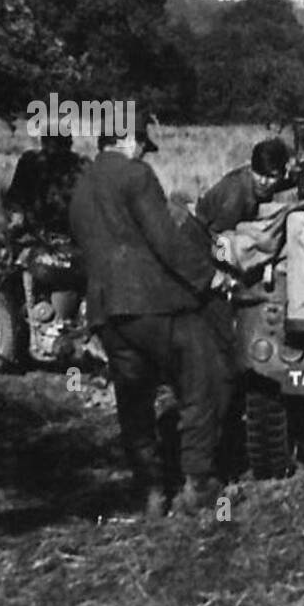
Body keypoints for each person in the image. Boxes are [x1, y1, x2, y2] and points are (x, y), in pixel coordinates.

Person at [69, 117, 233, 516]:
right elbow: (165, 238)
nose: (144, 151)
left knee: (134, 399)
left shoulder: (80, 184)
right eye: (142, 143)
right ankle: (199, 484)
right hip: (155, 302)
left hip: (108, 311)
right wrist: (209, 277)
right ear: (126, 139)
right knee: (203, 379)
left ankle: (150, 490)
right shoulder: (135, 174)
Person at [3, 128, 90, 324]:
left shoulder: (80, 167)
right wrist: (16, 219)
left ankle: (61, 328)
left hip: (67, 241)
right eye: (50, 142)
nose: (54, 148)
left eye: (59, 143)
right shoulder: (31, 163)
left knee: (65, 282)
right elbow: (15, 198)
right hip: (33, 236)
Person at [196, 137, 296, 233]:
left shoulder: (262, 176)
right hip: (202, 228)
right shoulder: (237, 194)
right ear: (251, 168)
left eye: (271, 177)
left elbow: (289, 180)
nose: (263, 182)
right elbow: (216, 232)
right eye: (259, 174)